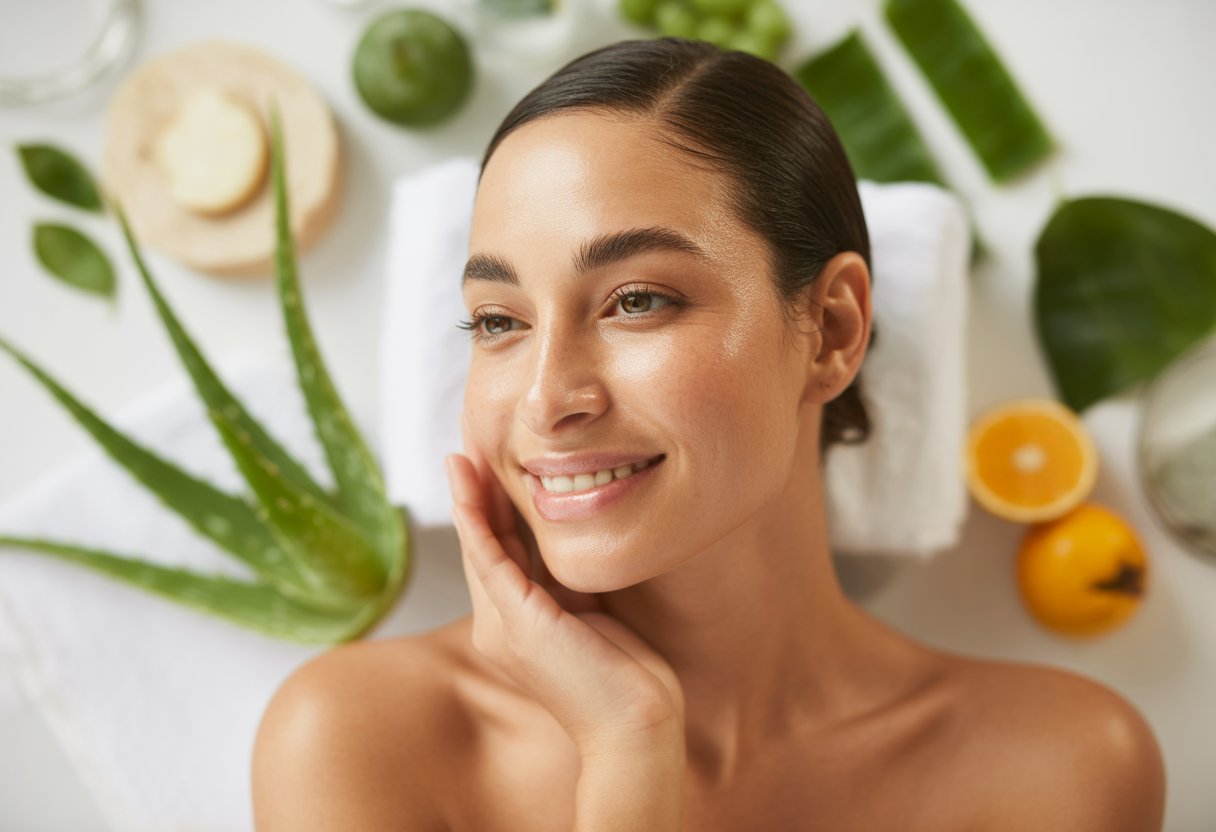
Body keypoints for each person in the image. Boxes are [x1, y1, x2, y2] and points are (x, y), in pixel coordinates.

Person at [251, 37, 1166, 831]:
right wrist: (625, 752)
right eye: (498, 321)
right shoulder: (355, 743)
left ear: (833, 329)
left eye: (636, 300)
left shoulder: (1060, 771)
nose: (543, 399)